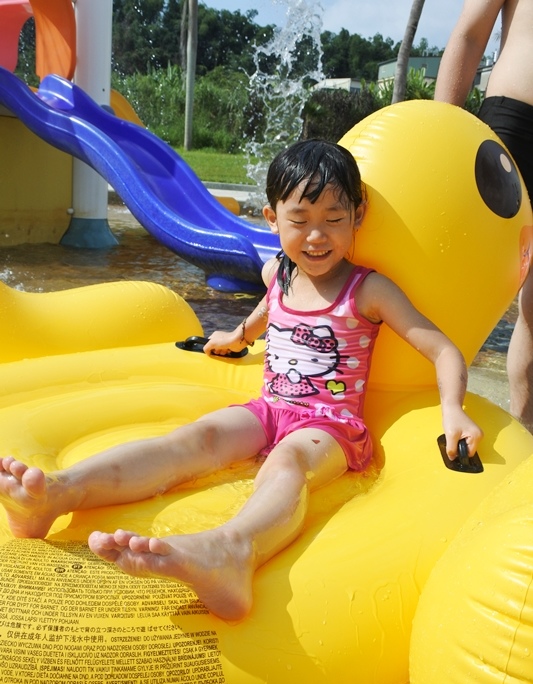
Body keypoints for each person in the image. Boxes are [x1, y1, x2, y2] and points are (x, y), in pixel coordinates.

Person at [0, 140, 483, 621]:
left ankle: (233, 550)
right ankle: (60, 492)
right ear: (272, 219)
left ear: (358, 216)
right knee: (196, 437)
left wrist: (453, 410)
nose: (317, 237)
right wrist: (236, 336)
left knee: (291, 460)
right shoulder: (279, 273)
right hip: (269, 408)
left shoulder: (368, 290)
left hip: (330, 426)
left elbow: (442, 349)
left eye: (334, 219)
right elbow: (267, 312)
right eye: (300, 221)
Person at [434, 0, 533, 430]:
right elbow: (470, 35)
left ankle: (524, 432)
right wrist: (443, 131)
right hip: (515, 124)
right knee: (457, 274)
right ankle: (434, 406)